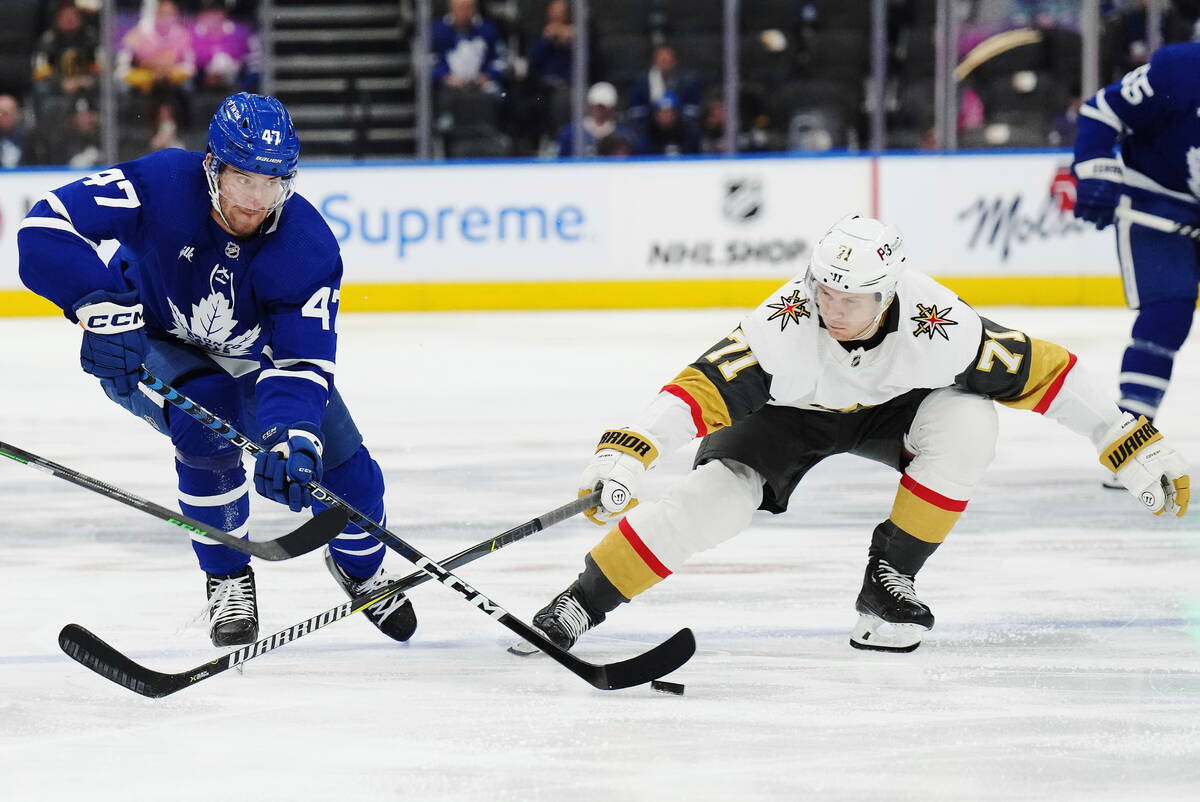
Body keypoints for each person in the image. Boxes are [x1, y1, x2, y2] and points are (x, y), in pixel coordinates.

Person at [516, 214, 1190, 656]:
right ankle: (579, 602)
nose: (828, 306)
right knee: (716, 499)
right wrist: (628, 453)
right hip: (787, 412)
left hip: (894, 407)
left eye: (848, 297)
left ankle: (889, 581)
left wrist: (1127, 442)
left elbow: (1042, 372)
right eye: (822, 289)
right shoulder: (783, 322)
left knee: (969, 423)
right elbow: (697, 389)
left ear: (888, 294)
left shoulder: (938, 323)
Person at [16, 93, 417, 648]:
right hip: (144, 341)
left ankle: (363, 569)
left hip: (251, 359)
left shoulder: (306, 246)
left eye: (271, 183)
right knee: (207, 415)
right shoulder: (160, 184)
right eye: (242, 180)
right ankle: (227, 575)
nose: (255, 201)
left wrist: (291, 434)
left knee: (350, 477)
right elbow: (47, 225)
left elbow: (300, 360)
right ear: (212, 167)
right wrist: (98, 305)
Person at [1070, 42, 1200, 461]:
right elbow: (1101, 112)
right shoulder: (1181, 70)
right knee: (1167, 312)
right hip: (1157, 201)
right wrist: (1096, 169)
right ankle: (1133, 440)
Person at [553, 82, 636, 158]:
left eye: (603, 107)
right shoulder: (571, 133)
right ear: (590, 105)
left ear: (612, 107)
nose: (599, 110)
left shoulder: (623, 134)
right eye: (596, 106)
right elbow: (559, 159)